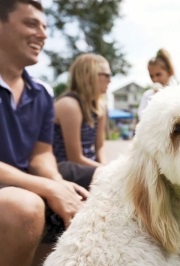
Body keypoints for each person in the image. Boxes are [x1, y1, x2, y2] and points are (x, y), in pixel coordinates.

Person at [0, 1, 91, 265]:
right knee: (24, 208)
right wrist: (47, 187)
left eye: (45, 26)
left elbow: (41, 155)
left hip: (20, 182)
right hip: (14, 193)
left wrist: (57, 182)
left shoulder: (42, 92)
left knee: (103, 186)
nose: (43, 34)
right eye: (31, 24)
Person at [53, 53, 110, 167]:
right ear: (88, 76)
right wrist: (106, 171)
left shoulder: (100, 107)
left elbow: (100, 147)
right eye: (106, 75)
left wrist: (105, 166)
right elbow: (75, 158)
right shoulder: (69, 105)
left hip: (89, 167)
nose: (110, 80)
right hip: (66, 168)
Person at [138, 48, 176, 120]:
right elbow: (142, 118)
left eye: (158, 75)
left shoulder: (178, 94)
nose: (155, 79)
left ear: (169, 72)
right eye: (151, 76)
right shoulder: (148, 96)